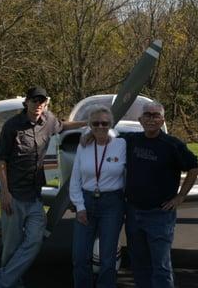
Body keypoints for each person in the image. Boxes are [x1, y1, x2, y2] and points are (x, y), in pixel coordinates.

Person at [0, 86, 86, 288]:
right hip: (14, 195)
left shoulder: (49, 121)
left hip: (35, 196)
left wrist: (89, 123)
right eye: (34, 101)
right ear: (26, 102)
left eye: (42, 102)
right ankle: (12, 282)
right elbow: (1, 161)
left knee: (35, 240)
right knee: (11, 246)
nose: (38, 105)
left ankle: (3, 279)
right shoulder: (12, 126)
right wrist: (5, 193)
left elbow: (64, 126)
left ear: (46, 104)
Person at [122, 101, 198, 288]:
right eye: (147, 115)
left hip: (160, 215)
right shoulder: (130, 140)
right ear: (140, 120)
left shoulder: (172, 145)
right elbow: (103, 134)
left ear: (162, 120)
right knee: (139, 264)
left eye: (155, 115)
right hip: (133, 212)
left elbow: (194, 168)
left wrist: (180, 196)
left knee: (161, 266)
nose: (151, 119)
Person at [69, 105, 127, 288]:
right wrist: (79, 207)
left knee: (108, 258)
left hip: (112, 204)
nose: (100, 126)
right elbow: (75, 178)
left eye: (104, 123)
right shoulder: (83, 145)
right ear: (90, 125)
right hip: (86, 201)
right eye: (95, 123)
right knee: (79, 256)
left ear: (110, 124)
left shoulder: (122, 144)